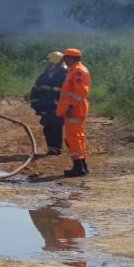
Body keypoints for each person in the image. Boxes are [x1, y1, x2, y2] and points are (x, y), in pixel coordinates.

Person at [54, 47, 91, 178]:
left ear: (71, 58)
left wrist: (70, 107)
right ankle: (82, 165)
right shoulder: (75, 70)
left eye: (66, 58)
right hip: (75, 109)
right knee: (78, 137)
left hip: (75, 110)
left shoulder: (78, 71)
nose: (65, 61)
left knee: (73, 138)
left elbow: (81, 92)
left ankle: (78, 167)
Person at [26, 50, 68, 156]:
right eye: (48, 63)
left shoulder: (65, 76)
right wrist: (36, 105)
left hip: (57, 108)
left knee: (56, 127)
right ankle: (51, 147)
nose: (48, 65)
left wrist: (56, 106)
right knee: (47, 128)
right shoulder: (44, 76)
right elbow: (35, 90)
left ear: (57, 64)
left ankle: (55, 148)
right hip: (44, 108)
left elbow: (65, 94)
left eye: (51, 63)